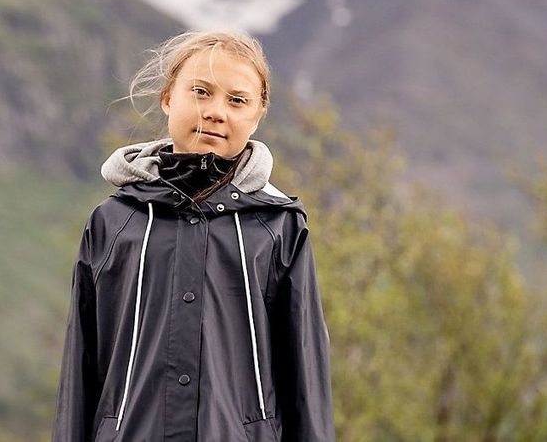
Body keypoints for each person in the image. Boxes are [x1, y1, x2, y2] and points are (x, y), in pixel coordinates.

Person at [51, 30, 335, 441]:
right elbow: (79, 368)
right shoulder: (113, 223)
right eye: (201, 92)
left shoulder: (279, 228)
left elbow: (305, 377)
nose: (216, 111)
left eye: (237, 100)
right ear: (168, 97)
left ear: (257, 115)